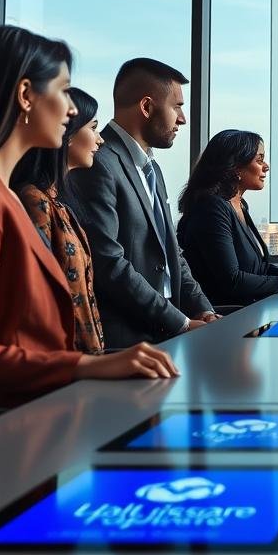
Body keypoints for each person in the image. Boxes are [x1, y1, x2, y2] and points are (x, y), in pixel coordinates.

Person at [0, 26, 177, 409]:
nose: (73, 109)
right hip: (15, 427)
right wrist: (86, 366)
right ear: (26, 95)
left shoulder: (4, 194)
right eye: (63, 90)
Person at [70, 58, 218, 348]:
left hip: (167, 329)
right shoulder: (98, 163)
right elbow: (108, 262)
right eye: (177, 106)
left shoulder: (152, 168)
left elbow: (171, 251)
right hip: (128, 341)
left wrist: (203, 310)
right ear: (147, 107)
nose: (182, 119)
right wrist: (181, 322)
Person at [177, 130, 278, 305]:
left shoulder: (240, 205)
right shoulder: (212, 208)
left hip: (251, 307)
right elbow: (232, 280)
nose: (266, 166)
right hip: (226, 313)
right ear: (235, 167)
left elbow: (259, 269)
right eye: (259, 160)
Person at [10, 86, 107, 354]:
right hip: (61, 361)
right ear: (68, 133)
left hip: (84, 357)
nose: (100, 140)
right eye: (94, 128)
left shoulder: (58, 203)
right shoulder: (34, 201)